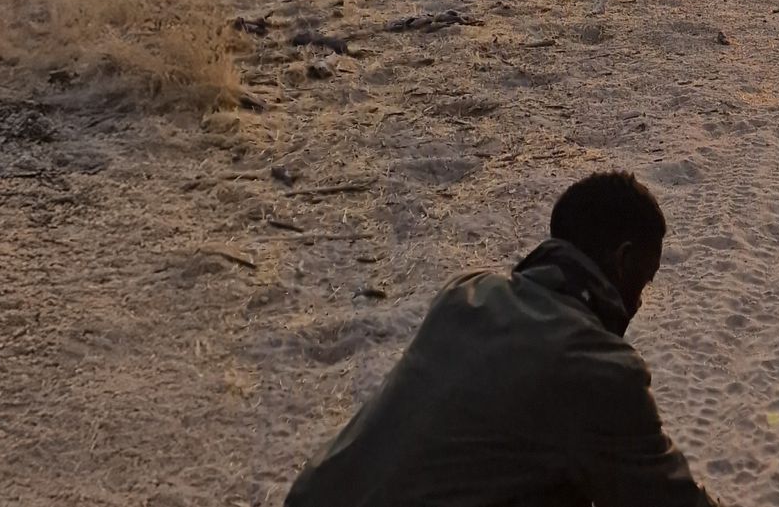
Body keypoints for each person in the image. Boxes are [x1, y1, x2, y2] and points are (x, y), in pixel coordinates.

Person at [284, 172, 723, 507]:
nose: (640, 304)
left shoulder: (466, 294)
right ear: (623, 260)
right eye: (644, 283)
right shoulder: (599, 367)